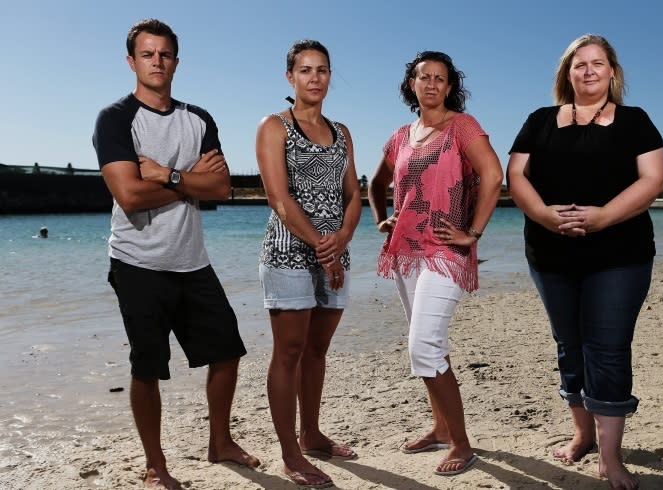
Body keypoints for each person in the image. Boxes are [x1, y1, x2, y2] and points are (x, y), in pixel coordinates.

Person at [92, 18, 259, 489]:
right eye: (147, 54)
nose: (157, 62)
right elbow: (129, 196)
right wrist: (189, 181)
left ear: (176, 62)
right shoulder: (115, 118)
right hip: (137, 263)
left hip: (192, 261)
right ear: (132, 61)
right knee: (148, 367)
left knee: (227, 352)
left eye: (165, 54)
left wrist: (166, 174)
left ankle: (220, 441)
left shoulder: (199, 119)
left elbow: (222, 188)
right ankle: (155, 463)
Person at [506, 34, 663, 490]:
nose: (589, 71)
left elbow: (653, 178)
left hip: (621, 254)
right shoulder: (539, 120)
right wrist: (541, 214)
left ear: (612, 72)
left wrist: (602, 218)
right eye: (580, 65)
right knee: (569, 344)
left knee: (608, 348)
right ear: (567, 73)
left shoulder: (635, 121)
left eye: (598, 63)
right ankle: (582, 434)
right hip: (549, 253)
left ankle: (610, 457)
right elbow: (515, 174)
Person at [368, 51, 503, 477]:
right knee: (428, 344)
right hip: (405, 250)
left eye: (440, 79)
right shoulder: (400, 136)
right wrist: (381, 218)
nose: (431, 84)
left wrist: (473, 234)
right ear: (411, 83)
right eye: (423, 77)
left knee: (423, 345)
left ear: (449, 87)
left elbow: (494, 176)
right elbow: (375, 184)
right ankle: (442, 428)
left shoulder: (463, 127)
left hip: (446, 251)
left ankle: (462, 445)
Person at [255, 40, 361, 489]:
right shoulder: (274, 126)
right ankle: (290, 454)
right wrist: (322, 244)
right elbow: (278, 197)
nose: (314, 77)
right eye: (304, 70)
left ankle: (312, 433)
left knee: (318, 350)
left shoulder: (342, 131)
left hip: (335, 251)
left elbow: (353, 193)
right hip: (289, 252)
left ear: (329, 76)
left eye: (321, 69)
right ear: (290, 77)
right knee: (290, 352)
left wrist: (342, 240)